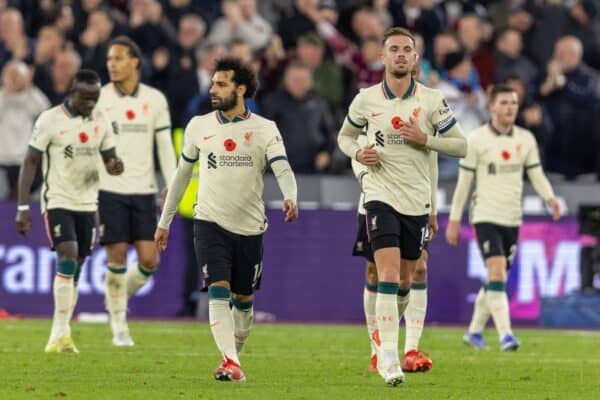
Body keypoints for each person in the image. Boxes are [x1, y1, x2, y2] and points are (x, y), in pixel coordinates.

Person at [337, 27, 467, 386]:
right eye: (393, 49)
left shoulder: (430, 100)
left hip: (416, 202)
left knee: (408, 280)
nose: (399, 55)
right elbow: (345, 137)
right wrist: (357, 153)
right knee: (386, 275)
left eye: (406, 50)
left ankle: (387, 340)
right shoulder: (366, 100)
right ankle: (388, 359)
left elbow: (461, 146)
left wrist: (426, 139)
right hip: (378, 197)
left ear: (415, 58)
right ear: (382, 56)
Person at [155, 57, 298, 382]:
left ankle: (234, 354)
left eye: (221, 83)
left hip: (249, 227)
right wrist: (165, 220)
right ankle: (230, 362)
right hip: (209, 222)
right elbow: (180, 177)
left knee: (243, 300)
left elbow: (283, 168)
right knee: (217, 287)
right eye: (213, 83)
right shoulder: (199, 125)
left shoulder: (264, 129)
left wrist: (292, 195)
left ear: (241, 88)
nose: (213, 89)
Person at [14, 69, 124, 353]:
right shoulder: (50, 120)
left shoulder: (102, 120)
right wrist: (23, 206)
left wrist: (114, 165)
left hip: (89, 203)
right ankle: (61, 331)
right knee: (68, 254)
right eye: (86, 98)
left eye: (95, 97)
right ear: (72, 93)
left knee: (76, 267)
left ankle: (58, 334)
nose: (91, 103)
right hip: (58, 200)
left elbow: (110, 157)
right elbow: (31, 162)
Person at [445, 83, 561, 351]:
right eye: (504, 103)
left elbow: (536, 174)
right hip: (485, 215)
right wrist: (454, 219)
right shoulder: (476, 139)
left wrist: (550, 198)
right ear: (492, 106)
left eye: (513, 103)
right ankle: (506, 335)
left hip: (512, 218)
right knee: (496, 271)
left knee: (496, 280)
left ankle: (474, 332)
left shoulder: (525, 139)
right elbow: (464, 183)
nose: (509, 108)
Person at [97, 36, 176, 347]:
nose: (112, 64)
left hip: (144, 189)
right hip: (110, 188)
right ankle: (119, 325)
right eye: (109, 59)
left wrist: (172, 181)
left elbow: (165, 146)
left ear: (135, 62)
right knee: (115, 256)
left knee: (149, 260)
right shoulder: (100, 99)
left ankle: (114, 299)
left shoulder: (155, 100)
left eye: (118, 58)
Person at [351, 130, 437, 374]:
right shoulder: (371, 108)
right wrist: (366, 179)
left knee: (418, 269)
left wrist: (433, 208)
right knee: (375, 273)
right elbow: (353, 150)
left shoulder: (420, 112)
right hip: (377, 202)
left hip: (415, 203)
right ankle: (375, 348)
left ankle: (410, 349)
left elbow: (431, 164)